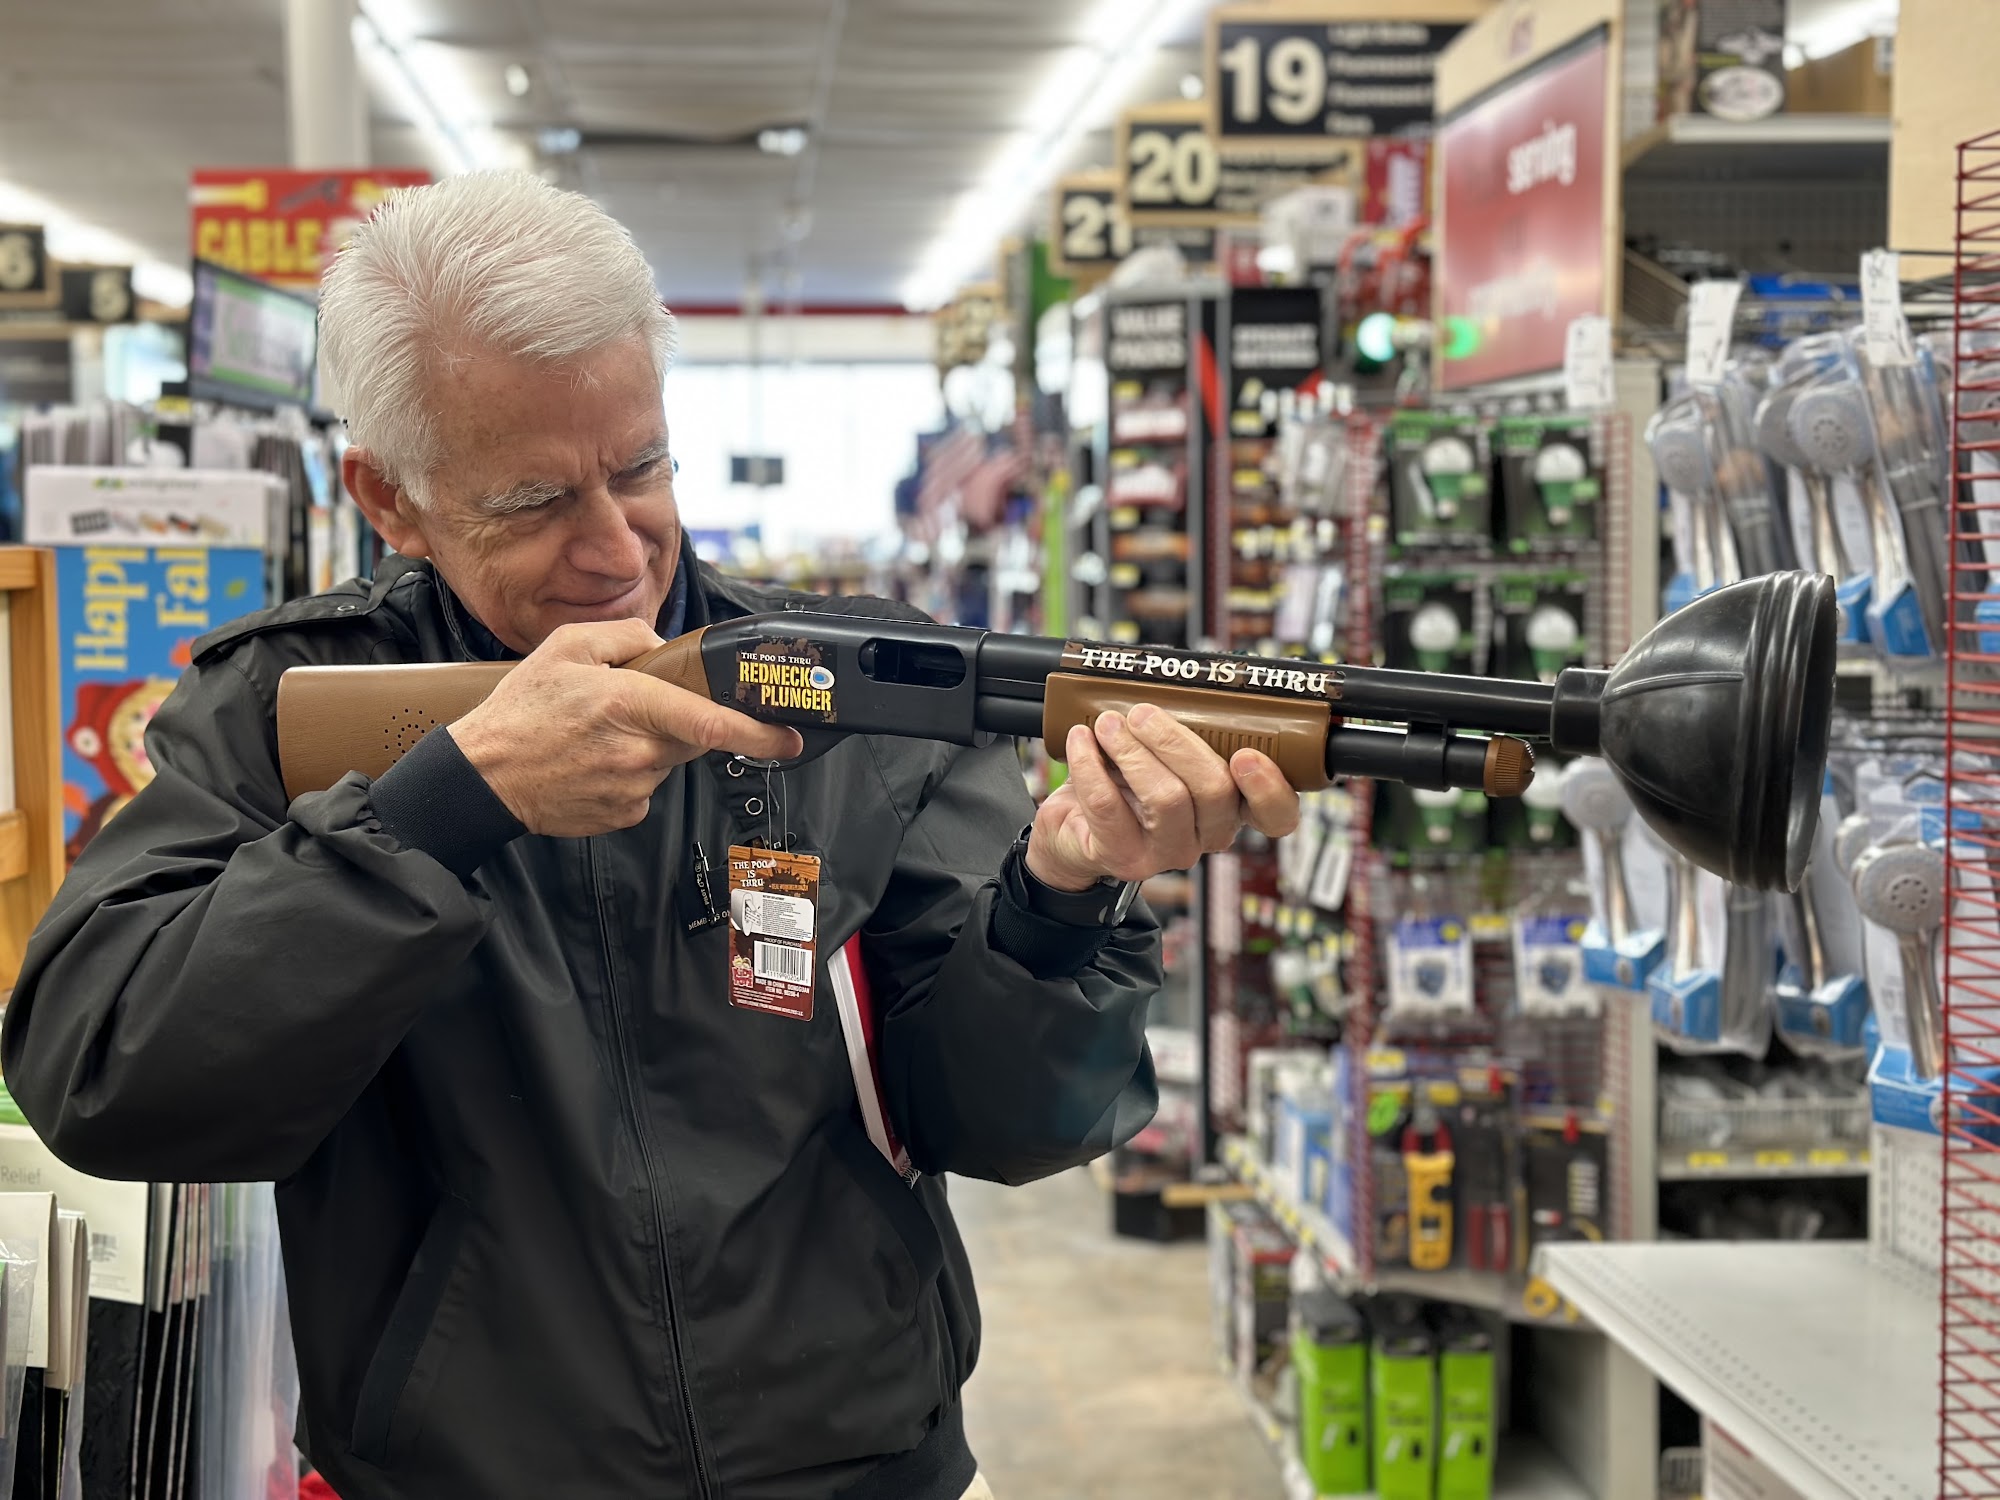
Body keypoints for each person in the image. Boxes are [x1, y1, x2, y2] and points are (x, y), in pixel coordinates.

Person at [0, 172, 1299, 1500]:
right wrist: (445, 808)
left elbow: (1004, 1122)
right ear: (388, 497)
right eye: (533, 502)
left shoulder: (858, 691)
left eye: (641, 468)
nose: (616, 550)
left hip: (868, 1465)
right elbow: (100, 1073)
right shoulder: (285, 704)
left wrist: (1060, 896)